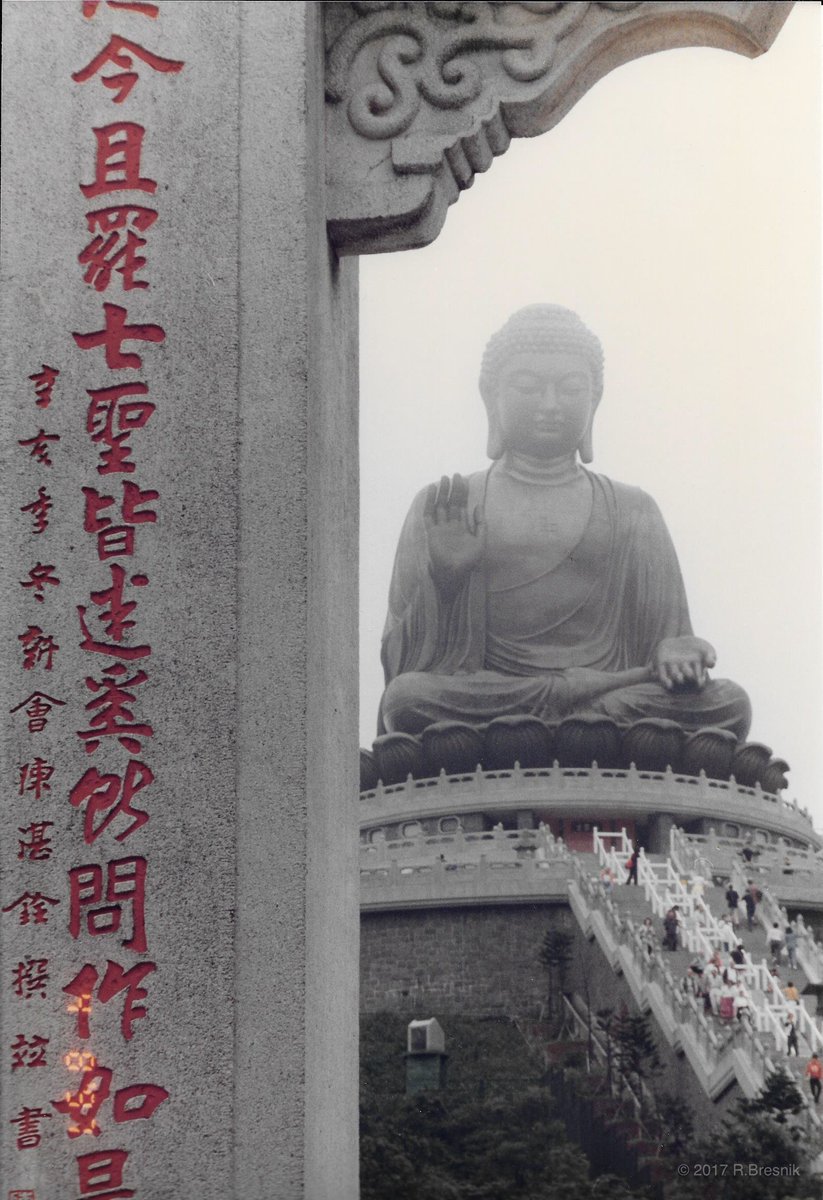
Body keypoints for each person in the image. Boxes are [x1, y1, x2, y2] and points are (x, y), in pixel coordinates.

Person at [378, 305, 752, 738]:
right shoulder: (449, 505)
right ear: (490, 397)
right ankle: (577, 722)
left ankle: (565, 721)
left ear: (595, 399)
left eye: (571, 388)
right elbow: (402, 664)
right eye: (528, 387)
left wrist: (677, 651)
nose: (550, 405)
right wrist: (445, 581)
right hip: (498, 695)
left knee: (730, 703)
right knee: (407, 699)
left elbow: (668, 643)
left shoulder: (633, 509)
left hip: (608, 695)